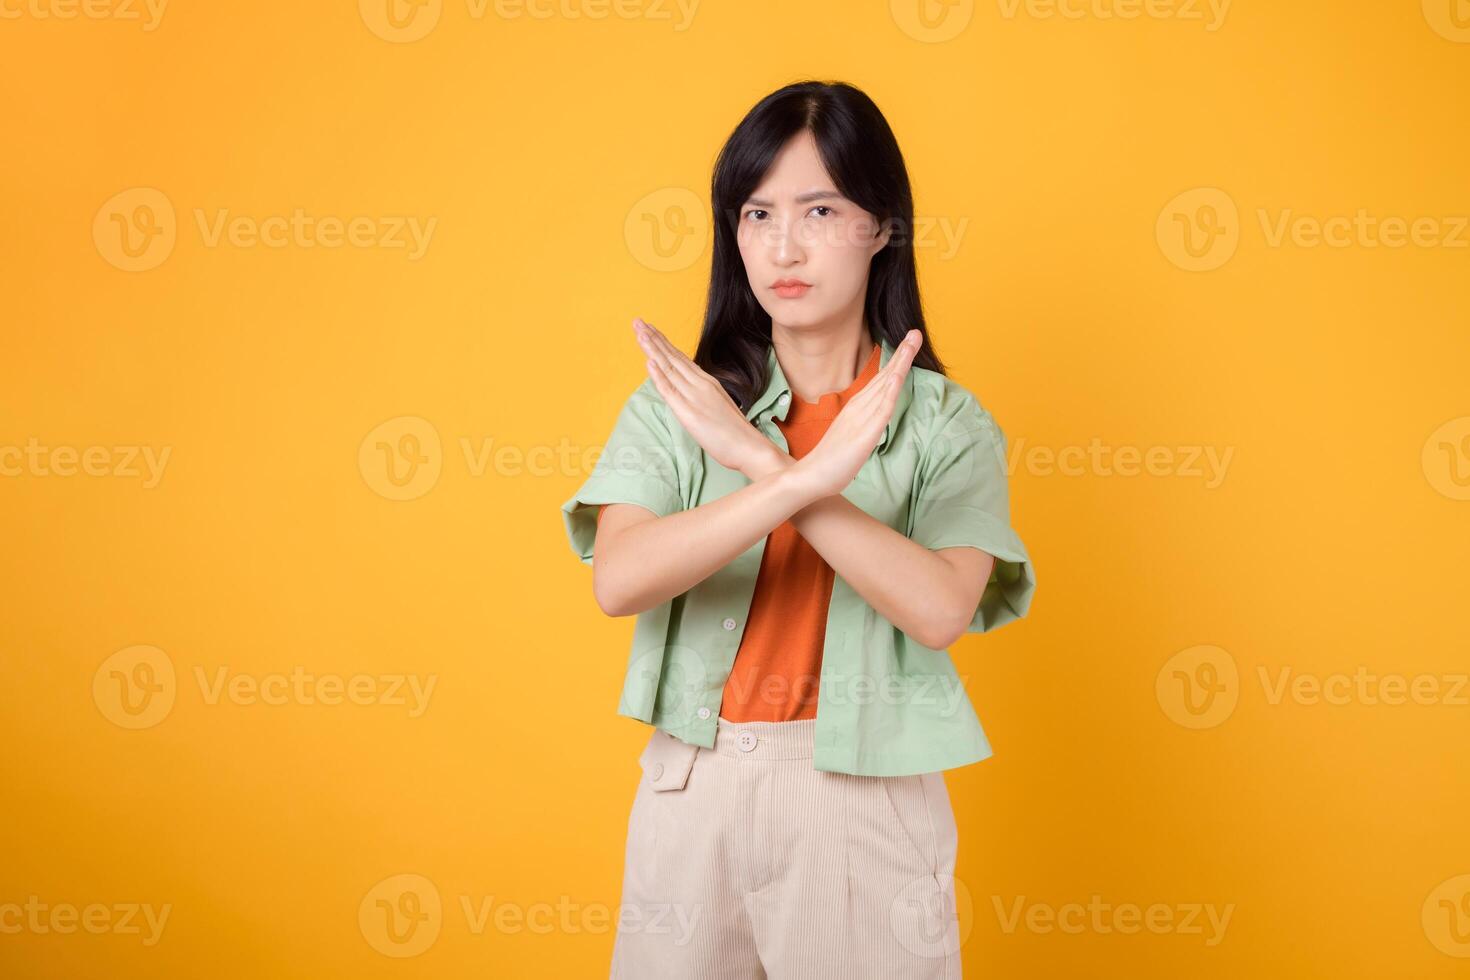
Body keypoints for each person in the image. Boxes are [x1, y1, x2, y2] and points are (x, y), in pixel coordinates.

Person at [559, 79, 1036, 979]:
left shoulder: (947, 424)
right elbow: (619, 581)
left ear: (882, 225)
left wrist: (776, 472)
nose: (783, 245)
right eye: (756, 212)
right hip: (691, 784)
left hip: (857, 798)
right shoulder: (681, 407)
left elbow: (940, 609)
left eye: (820, 208)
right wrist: (785, 473)